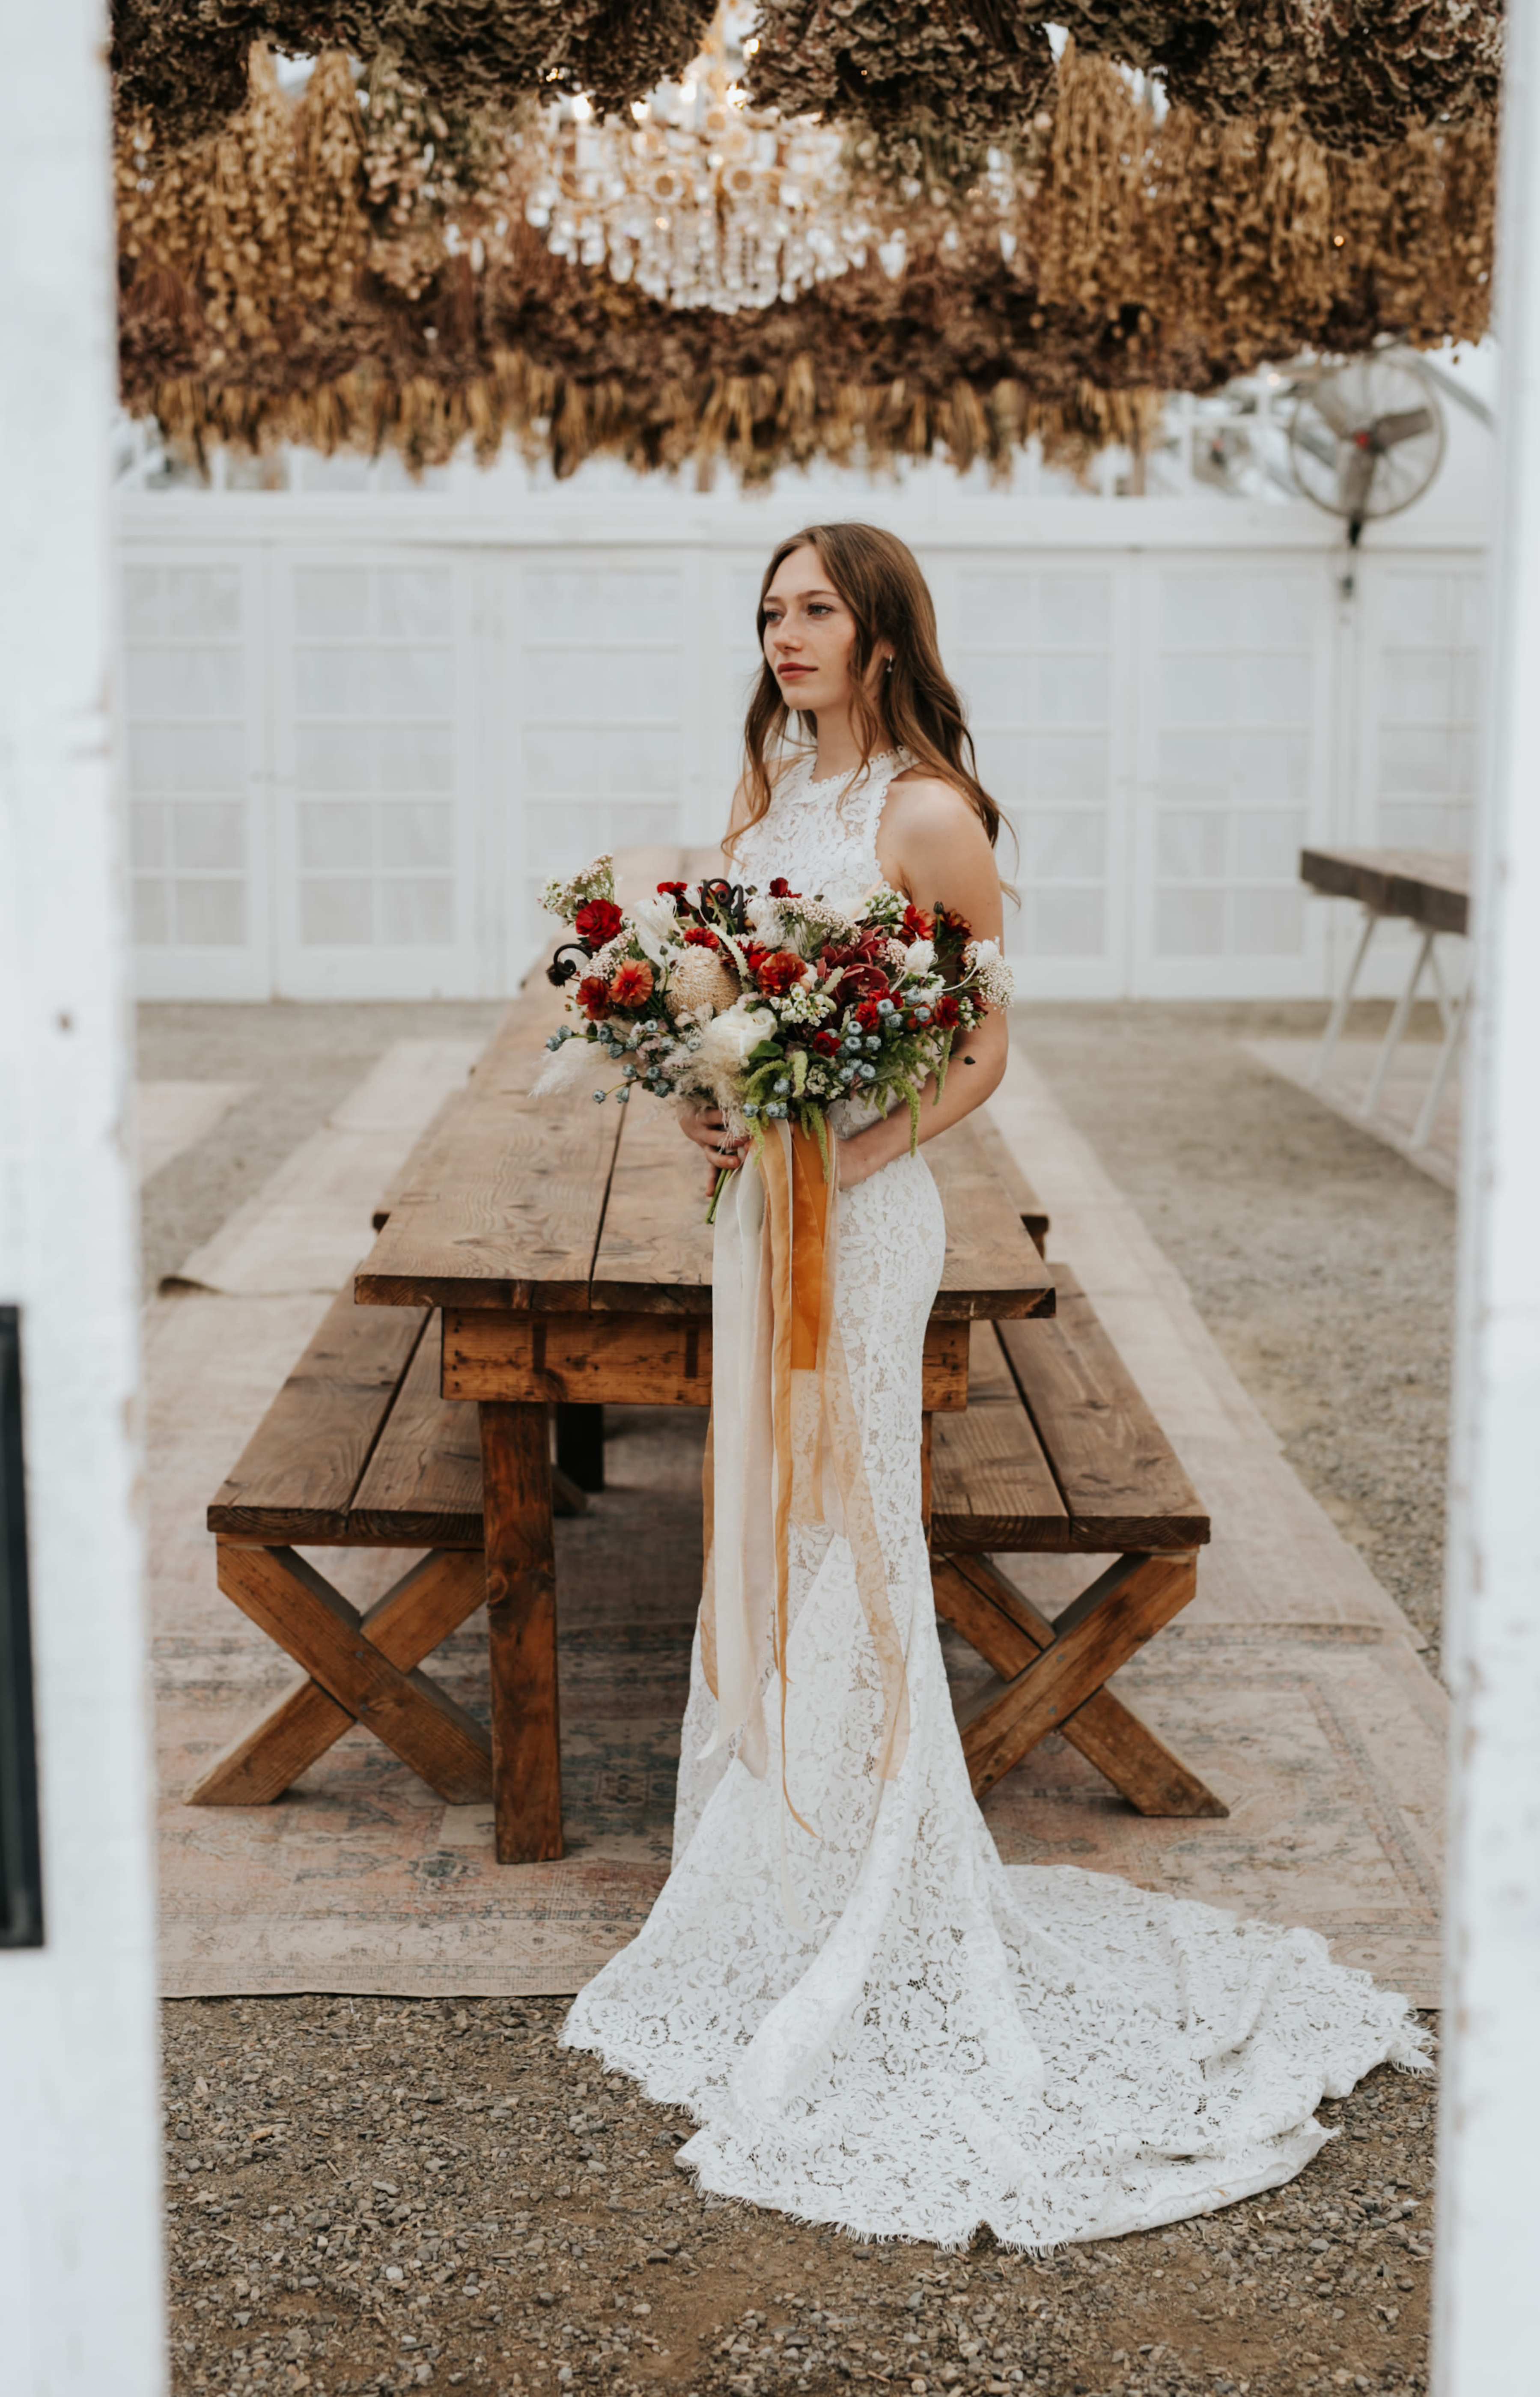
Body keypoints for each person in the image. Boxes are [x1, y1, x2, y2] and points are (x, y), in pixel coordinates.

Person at [562, 521, 1425, 2248]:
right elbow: (724, 1020)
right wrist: (704, 1101)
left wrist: (854, 1148)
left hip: (871, 1224)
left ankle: (880, 1882)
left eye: (814, 608)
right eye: (768, 611)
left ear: (882, 630)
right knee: (767, 1509)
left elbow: (982, 1045)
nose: (784, 633)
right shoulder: (770, 802)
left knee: (858, 1529)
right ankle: (776, 1863)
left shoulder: (926, 812)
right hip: (762, 1211)